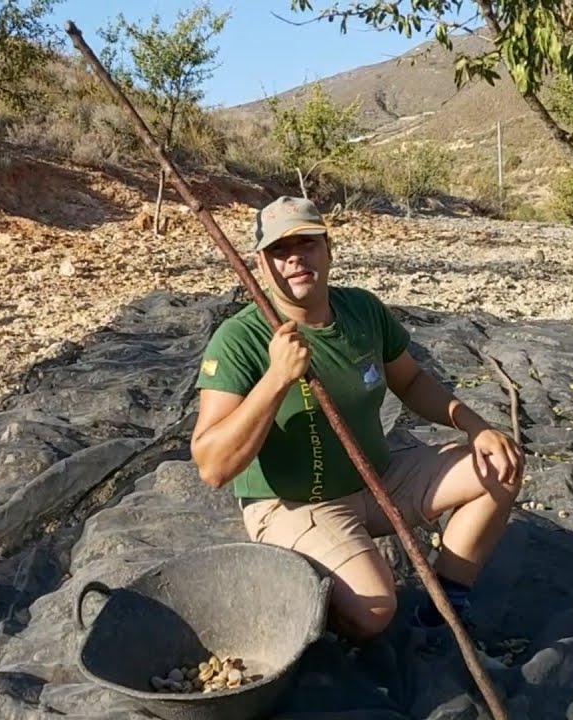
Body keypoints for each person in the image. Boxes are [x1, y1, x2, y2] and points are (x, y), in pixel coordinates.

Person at [190, 196, 524, 643]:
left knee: (500, 466)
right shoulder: (239, 339)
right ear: (260, 265)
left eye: (307, 243)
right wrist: (277, 378)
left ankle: (445, 606)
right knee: (374, 612)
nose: (295, 259)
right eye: (279, 250)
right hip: (295, 504)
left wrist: (475, 425)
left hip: (377, 479)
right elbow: (212, 467)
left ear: (328, 250)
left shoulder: (362, 310)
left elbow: (411, 381)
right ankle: (299, 578)